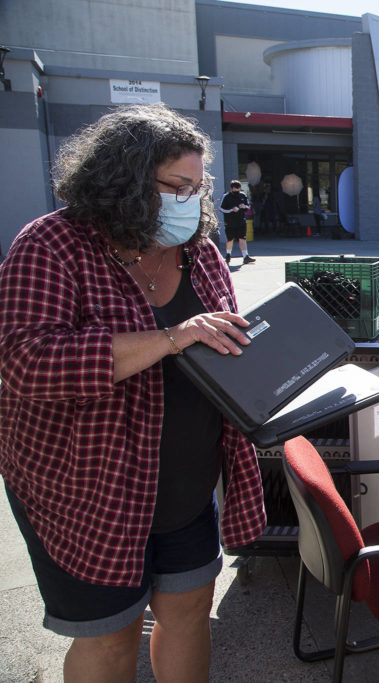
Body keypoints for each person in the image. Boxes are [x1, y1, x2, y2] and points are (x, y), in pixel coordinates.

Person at [0, 104, 266, 681]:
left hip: (187, 489)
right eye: (175, 186)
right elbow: (25, 364)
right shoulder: (50, 245)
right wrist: (171, 337)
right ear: (123, 178)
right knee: (111, 639)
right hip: (87, 496)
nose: (189, 202)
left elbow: (226, 346)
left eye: (197, 188)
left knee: (190, 612)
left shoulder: (202, 253)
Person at [219, 179, 254, 264]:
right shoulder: (226, 196)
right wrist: (231, 210)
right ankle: (228, 254)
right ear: (232, 188)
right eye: (235, 188)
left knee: (242, 238)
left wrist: (244, 206)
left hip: (241, 220)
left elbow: (248, 207)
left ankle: (245, 256)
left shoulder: (243, 195)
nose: (237, 190)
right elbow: (221, 208)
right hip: (230, 222)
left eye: (239, 188)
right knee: (230, 239)